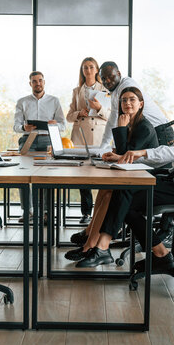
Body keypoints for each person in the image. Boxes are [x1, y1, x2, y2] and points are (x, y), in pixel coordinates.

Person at [76, 86, 174, 268]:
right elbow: (166, 153)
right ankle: (158, 253)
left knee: (124, 196)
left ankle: (104, 248)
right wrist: (129, 156)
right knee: (124, 200)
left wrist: (142, 152)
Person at [67, 87, 160, 265]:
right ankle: (89, 243)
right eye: (124, 100)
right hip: (133, 174)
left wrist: (121, 129)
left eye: (132, 100)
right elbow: (124, 153)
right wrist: (115, 154)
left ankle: (95, 246)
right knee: (105, 189)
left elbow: (127, 155)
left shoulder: (144, 127)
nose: (127, 103)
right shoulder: (130, 123)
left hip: (147, 178)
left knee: (111, 193)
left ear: (140, 104)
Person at [13, 71, 65, 221]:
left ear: (44, 82)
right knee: (23, 175)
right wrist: (24, 128)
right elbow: (16, 125)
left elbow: (63, 126)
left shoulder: (54, 101)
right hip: (28, 139)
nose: (38, 83)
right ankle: (27, 211)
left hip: (47, 139)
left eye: (40, 80)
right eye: (34, 81)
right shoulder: (22, 101)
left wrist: (55, 125)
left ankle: (47, 213)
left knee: (47, 176)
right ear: (30, 84)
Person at [66, 57, 110, 224]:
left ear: (97, 70)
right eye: (85, 67)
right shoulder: (77, 91)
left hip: (100, 137)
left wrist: (99, 109)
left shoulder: (105, 90)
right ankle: (86, 213)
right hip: (80, 137)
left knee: (102, 175)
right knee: (83, 177)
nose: (88, 70)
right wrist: (79, 114)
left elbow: (112, 115)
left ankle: (102, 212)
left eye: (91, 67)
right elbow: (69, 116)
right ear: (82, 71)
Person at [98, 61, 170, 149]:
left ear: (119, 73)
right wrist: (102, 147)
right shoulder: (114, 91)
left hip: (160, 130)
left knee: (157, 161)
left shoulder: (126, 86)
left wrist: (113, 146)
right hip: (144, 131)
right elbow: (112, 120)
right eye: (103, 78)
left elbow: (121, 118)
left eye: (110, 76)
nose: (107, 81)